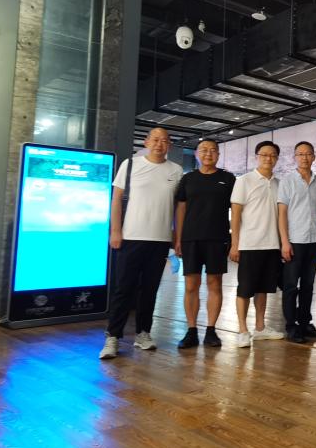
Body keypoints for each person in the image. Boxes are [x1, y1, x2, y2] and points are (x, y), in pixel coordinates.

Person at [100, 128, 183, 359]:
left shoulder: (176, 170)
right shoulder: (130, 165)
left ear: (169, 145)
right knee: (123, 289)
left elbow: (178, 207)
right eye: (155, 139)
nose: (159, 144)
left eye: (164, 140)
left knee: (150, 290)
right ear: (146, 142)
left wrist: (177, 237)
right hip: (131, 237)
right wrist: (115, 231)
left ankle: (143, 333)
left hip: (160, 240)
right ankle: (113, 337)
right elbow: (116, 199)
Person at [174, 139, 235, 349]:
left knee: (214, 284)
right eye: (204, 150)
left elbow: (237, 209)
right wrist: (178, 238)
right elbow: (181, 208)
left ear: (218, 154)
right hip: (191, 238)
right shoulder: (188, 178)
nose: (208, 153)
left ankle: (211, 330)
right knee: (191, 285)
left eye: (213, 150)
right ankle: (191, 331)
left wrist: (235, 239)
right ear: (197, 154)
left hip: (217, 238)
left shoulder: (227, 178)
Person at [229, 140, 285, 347]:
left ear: (277, 159)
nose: (268, 158)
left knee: (263, 288)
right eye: (264, 154)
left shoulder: (279, 183)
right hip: (249, 244)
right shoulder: (244, 180)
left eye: (272, 155)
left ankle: (260, 328)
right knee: (245, 289)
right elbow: (236, 214)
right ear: (257, 157)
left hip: (272, 244)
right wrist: (235, 244)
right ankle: (242, 330)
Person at [277, 141, 316, 344]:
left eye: (308, 154)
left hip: (315, 240)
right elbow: (282, 214)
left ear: (314, 157)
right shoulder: (287, 181)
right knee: (290, 286)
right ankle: (291, 326)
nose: (304, 158)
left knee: (308, 285)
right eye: (300, 154)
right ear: (295, 157)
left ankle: (305, 323)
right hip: (294, 241)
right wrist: (285, 242)